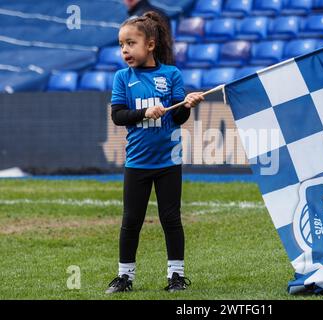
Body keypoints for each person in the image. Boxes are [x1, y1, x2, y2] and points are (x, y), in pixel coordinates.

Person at [105, 11, 204, 294]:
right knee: (131, 221)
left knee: (171, 219)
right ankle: (125, 277)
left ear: (149, 44)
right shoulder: (122, 78)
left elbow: (179, 119)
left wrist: (186, 104)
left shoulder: (171, 74)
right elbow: (118, 116)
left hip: (168, 162)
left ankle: (176, 276)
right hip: (137, 163)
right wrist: (145, 112)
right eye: (121, 44)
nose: (124, 50)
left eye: (130, 43)